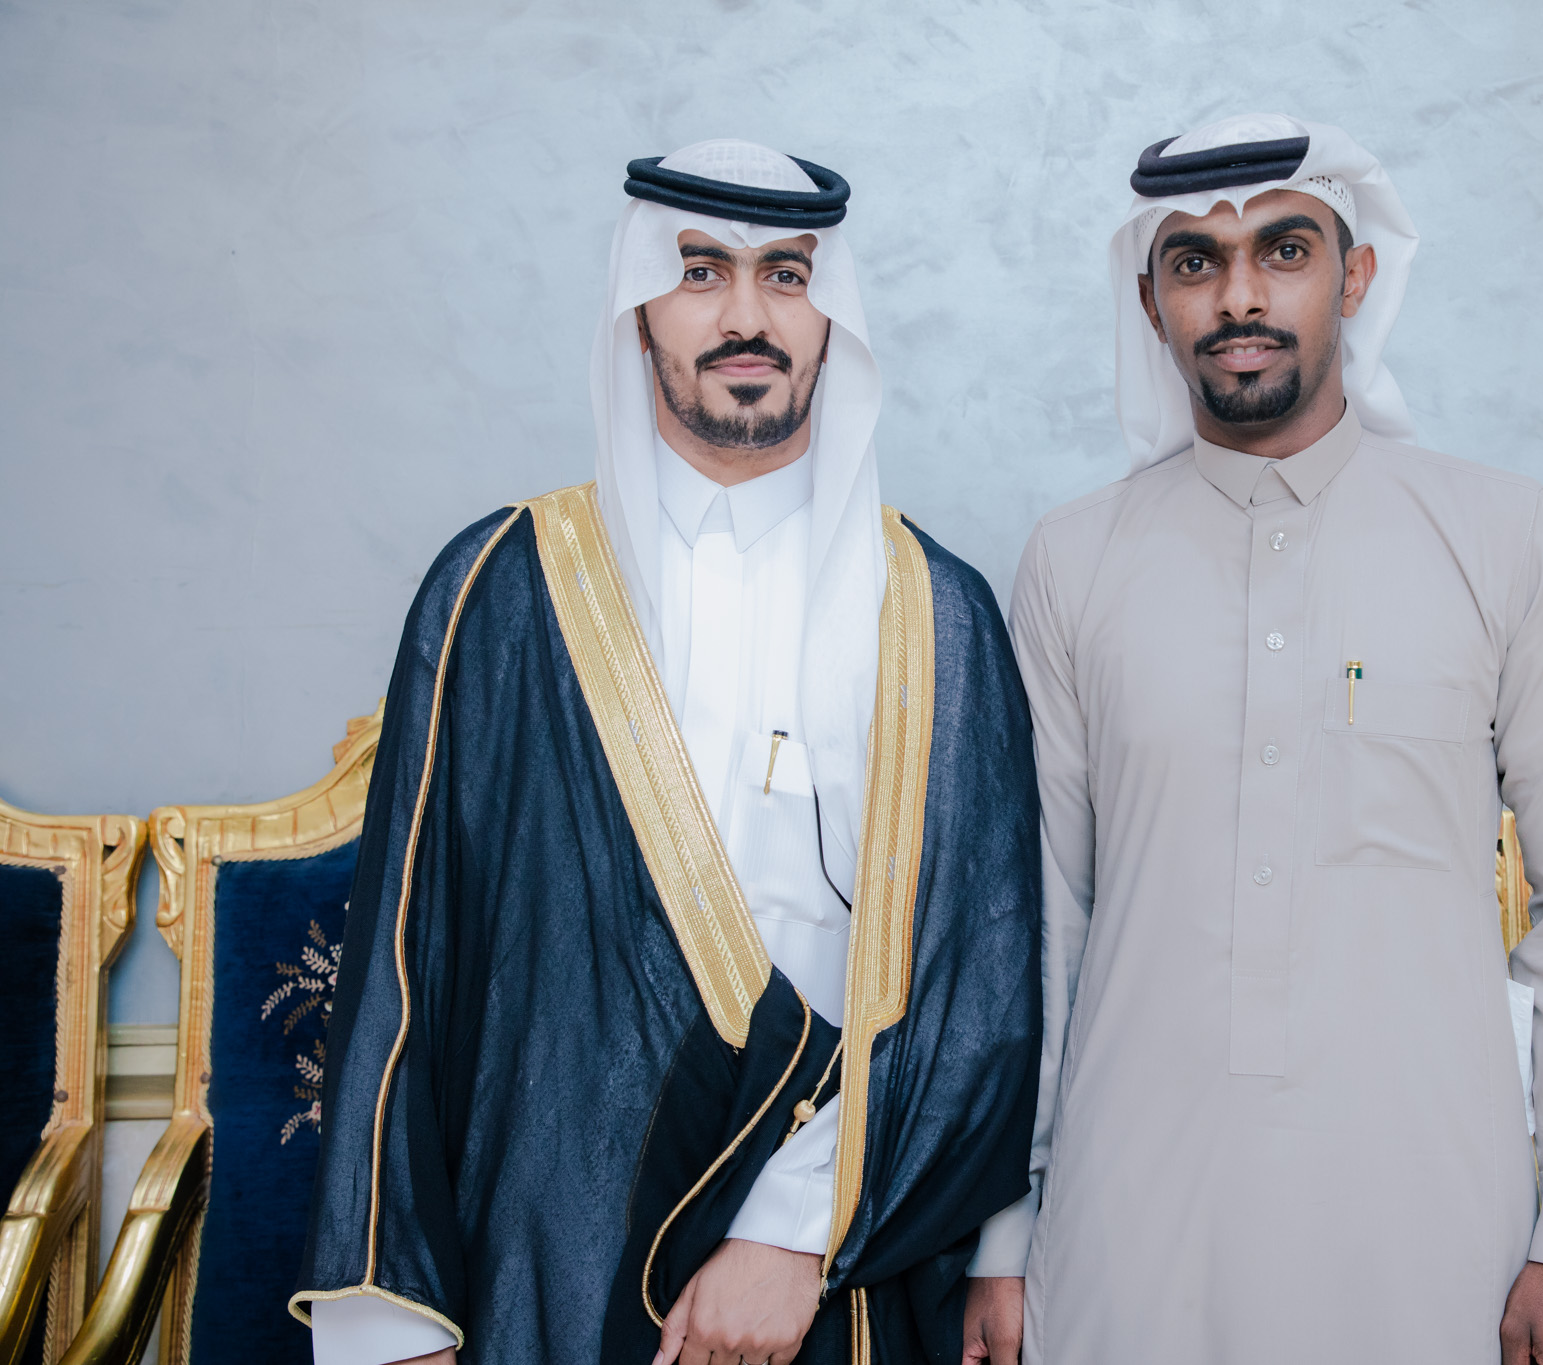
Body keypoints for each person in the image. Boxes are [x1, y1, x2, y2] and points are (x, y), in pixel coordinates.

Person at [293, 139, 1041, 1365]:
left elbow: (985, 976)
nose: (747, 317)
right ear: (637, 311)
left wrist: (791, 1234)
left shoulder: (935, 612)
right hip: (552, 1236)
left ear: (831, 317)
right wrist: (388, 1318)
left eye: (786, 275)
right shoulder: (502, 590)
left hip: (841, 1256)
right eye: (699, 273)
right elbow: (405, 963)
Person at [1007, 113, 1543, 1364]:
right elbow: (1044, 922)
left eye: (1284, 251)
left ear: (1354, 277)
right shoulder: (1071, 561)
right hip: (1127, 1223)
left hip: (1431, 1223)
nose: (1238, 296)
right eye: (1194, 262)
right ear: (1149, 303)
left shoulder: (1504, 536)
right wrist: (1004, 1237)